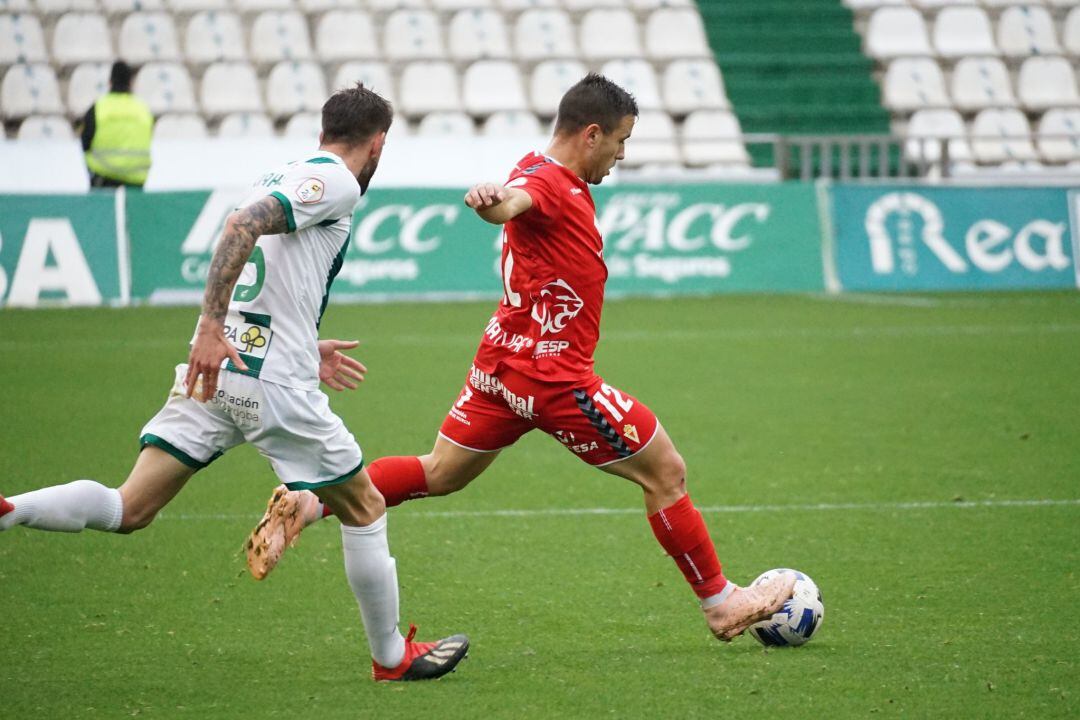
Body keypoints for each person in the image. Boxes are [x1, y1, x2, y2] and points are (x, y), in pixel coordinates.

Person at [245, 74, 795, 643]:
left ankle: (308, 504)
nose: (621, 154)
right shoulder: (549, 181)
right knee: (666, 472)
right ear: (590, 134)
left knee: (439, 472)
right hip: (555, 380)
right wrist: (492, 200)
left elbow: (518, 195)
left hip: (499, 370)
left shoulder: (536, 165)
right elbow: (513, 201)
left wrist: (501, 197)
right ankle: (720, 602)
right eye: (621, 140)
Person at [1, 84, 469, 682]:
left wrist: (298, 340)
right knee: (365, 505)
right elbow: (242, 227)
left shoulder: (286, 170)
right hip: (269, 380)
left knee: (131, 506)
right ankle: (390, 658)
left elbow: (265, 256)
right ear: (378, 142)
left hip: (225, 372)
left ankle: (12, 510)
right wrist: (208, 325)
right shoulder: (340, 180)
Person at [80, 61, 154, 188]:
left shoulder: (98, 108)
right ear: (131, 83)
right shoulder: (143, 109)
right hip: (136, 180)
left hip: (104, 179)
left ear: (110, 82)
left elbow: (85, 143)